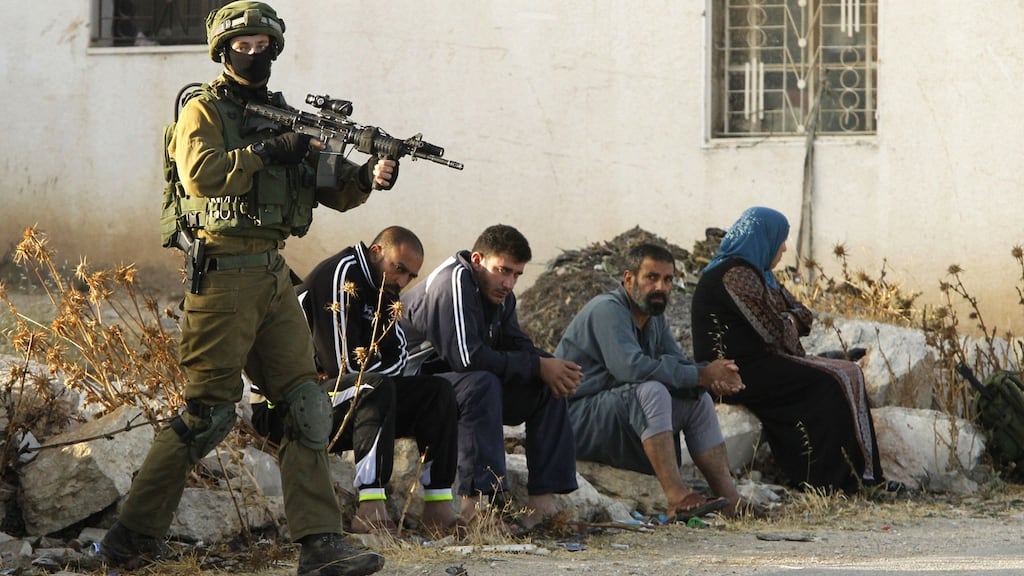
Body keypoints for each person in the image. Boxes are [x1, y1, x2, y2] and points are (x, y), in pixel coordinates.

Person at [101, 3, 397, 575]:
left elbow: (328, 190)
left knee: (306, 405)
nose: (253, 52)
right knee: (207, 414)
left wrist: (369, 176)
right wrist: (267, 150)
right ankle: (130, 541)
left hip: (271, 274)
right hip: (224, 273)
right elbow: (202, 174)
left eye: (263, 43)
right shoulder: (203, 110)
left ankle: (319, 545)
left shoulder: (285, 115)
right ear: (222, 50)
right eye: (242, 44)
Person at [248, 226, 461, 535]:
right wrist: (372, 375)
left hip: (340, 399)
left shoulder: (387, 291)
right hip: (284, 405)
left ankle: (438, 507)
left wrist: (373, 375)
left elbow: (400, 355)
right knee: (373, 386)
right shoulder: (341, 276)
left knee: (438, 391)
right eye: (397, 269)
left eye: (410, 276)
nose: (402, 281)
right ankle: (370, 507)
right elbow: (342, 367)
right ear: (376, 253)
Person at [690, 206, 885, 493]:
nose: (783, 247)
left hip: (761, 362)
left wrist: (787, 320)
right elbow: (772, 331)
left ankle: (860, 476)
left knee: (848, 372)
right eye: (779, 238)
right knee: (836, 379)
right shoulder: (735, 275)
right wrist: (787, 320)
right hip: (735, 371)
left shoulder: (758, 274)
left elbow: (802, 314)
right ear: (762, 238)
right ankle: (839, 480)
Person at [555, 243, 755, 520]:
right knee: (652, 391)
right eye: (652, 278)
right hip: (575, 418)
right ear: (628, 279)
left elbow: (679, 364)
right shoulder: (607, 310)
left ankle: (731, 501)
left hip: (616, 415)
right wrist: (701, 375)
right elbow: (630, 369)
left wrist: (711, 375)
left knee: (698, 401)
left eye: (668, 279)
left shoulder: (653, 318)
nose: (661, 286)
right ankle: (676, 497)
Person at [400, 224, 580, 530]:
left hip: (451, 386)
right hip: (410, 389)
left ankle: (543, 509)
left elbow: (515, 343)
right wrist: (536, 365)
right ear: (477, 259)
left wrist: (549, 365)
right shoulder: (453, 282)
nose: (509, 282)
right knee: (481, 383)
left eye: (516, 275)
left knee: (546, 386)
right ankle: (477, 509)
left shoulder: (500, 295)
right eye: (503, 270)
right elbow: (466, 359)